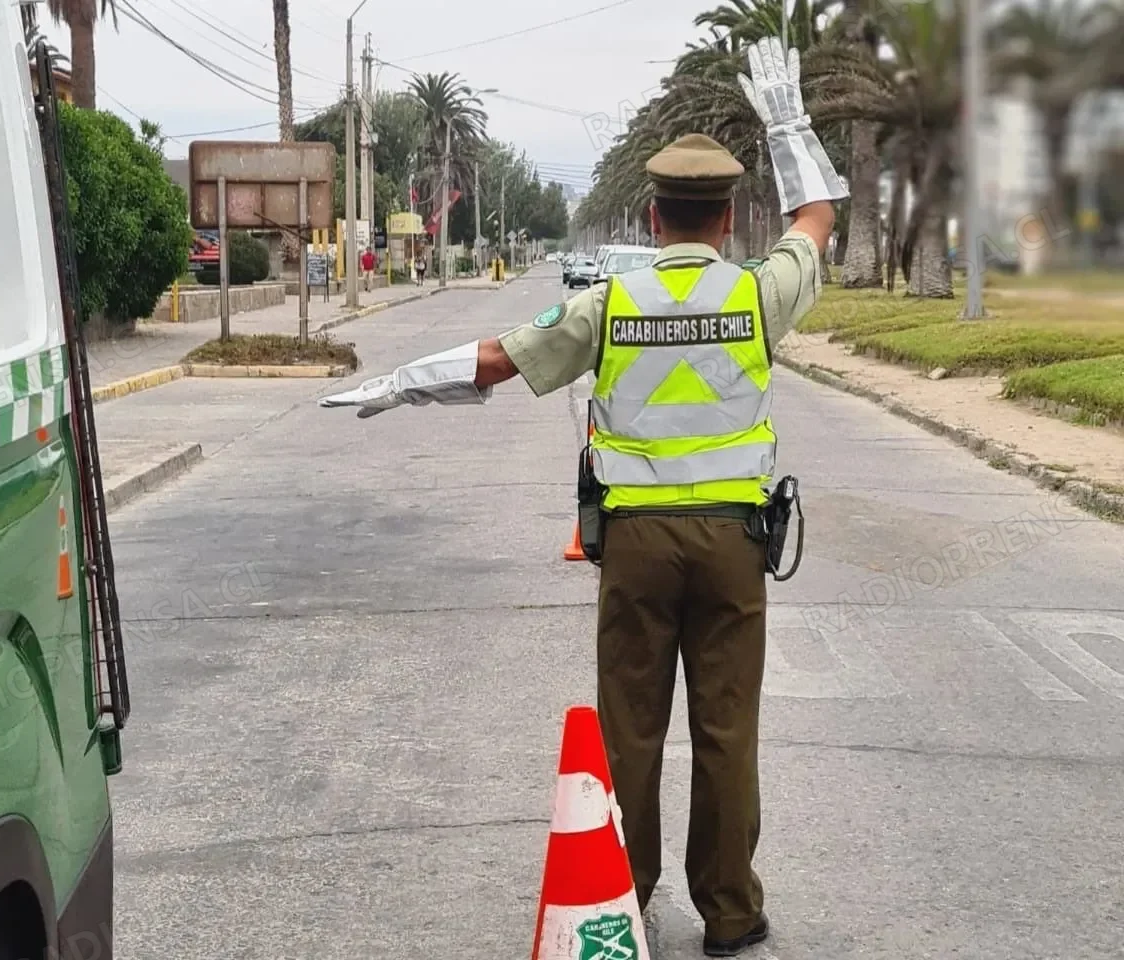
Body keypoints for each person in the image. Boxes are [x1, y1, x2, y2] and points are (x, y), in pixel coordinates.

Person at [319, 38, 846, 957]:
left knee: (630, 727)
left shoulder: (610, 303)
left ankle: (624, 897)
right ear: (727, 218)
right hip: (733, 546)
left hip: (637, 546)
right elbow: (817, 216)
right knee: (727, 728)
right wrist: (790, 123)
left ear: (653, 214)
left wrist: (402, 381)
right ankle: (729, 910)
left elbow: (498, 361)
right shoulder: (761, 294)